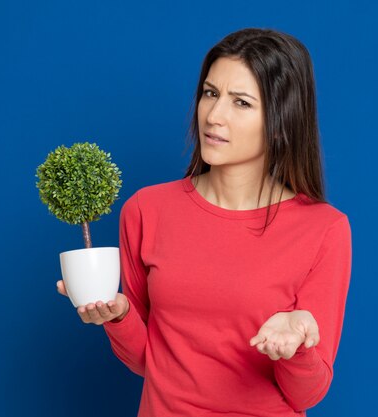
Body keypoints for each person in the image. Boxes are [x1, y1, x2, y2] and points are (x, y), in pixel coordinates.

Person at [57, 27, 352, 417]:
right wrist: (120, 317)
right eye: (210, 93)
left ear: (282, 120)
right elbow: (149, 363)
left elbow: (307, 394)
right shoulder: (147, 210)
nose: (214, 116)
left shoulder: (324, 229)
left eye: (241, 102)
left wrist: (297, 346)